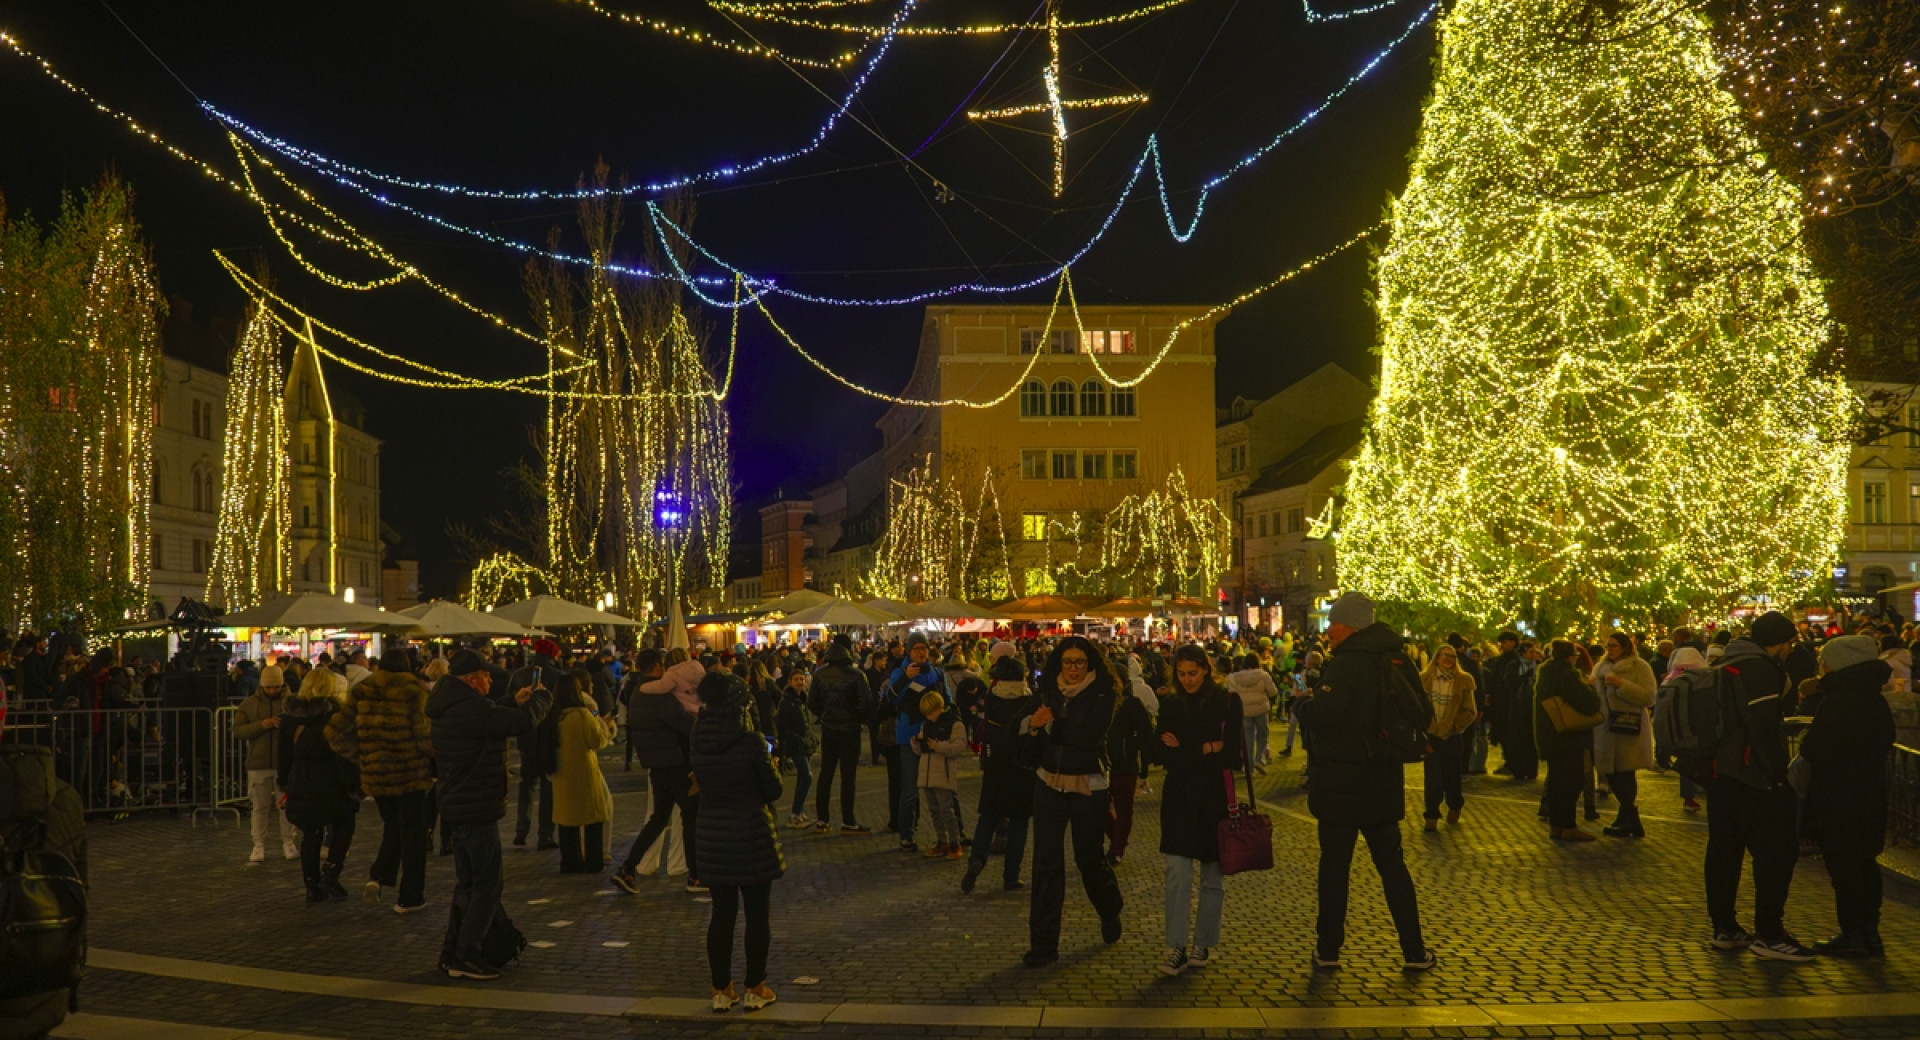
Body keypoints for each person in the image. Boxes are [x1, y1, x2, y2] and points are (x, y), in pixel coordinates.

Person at [1295, 592, 1434, 971]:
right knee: (1393, 867)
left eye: (1332, 624)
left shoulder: (1346, 665)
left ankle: (1328, 950)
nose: (1328, 631)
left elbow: (1325, 714)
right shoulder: (1395, 658)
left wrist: (1303, 704)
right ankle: (1414, 950)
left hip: (1341, 782)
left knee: (1335, 870)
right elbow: (1423, 709)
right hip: (1382, 781)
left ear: (1348, 626)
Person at [429, 649, 552, 980]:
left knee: (467, 883)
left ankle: (452, 951)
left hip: (458, 802)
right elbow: (516, 723)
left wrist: (514, 698)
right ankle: (466, 955)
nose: (489, 680)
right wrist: (540, 700)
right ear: (472, 681)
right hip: (475, 804)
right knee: (487, 885)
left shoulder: (451, 704)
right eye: (485, 677)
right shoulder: (470, 707)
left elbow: (491, 718)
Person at [1703, 610, 1814, 962]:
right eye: (1789, 643)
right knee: (1775, 853)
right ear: (1778, 642)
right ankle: (1770, 932)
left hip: (1720, 772)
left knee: (1724, 850)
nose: (1790, 650)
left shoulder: (1725, 662)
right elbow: (1763, 728)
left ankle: (1725, 927)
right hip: (1752, 775)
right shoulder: (1758, 668)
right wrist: (1777, 775)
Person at [1021, 635, 1125, 968]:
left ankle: (1109, 907)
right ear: (1059, 664)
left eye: (1080, 662)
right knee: (1046, 864)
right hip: (1048, 783)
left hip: (1088, 785)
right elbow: (1025, 732)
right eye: (1068, 662)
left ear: (1090, 663)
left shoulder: (1103, 692)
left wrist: (1049, 725)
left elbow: (1091, 736)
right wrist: (1034, 729)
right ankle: (1043, 945)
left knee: (1088, 858)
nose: (1074, 668)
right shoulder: (1047, 690)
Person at [691, 671, 784, 1013]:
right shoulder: (751, 741)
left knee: (722, 915)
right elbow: (773, 790)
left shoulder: (698, 736)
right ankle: (755, 986)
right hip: (750, 834)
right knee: (757, 915)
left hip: (712, 835)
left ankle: (720, 988)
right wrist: (772, 763)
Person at [1798, 635, 1895, 957]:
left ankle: (1853, 933)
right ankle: (1870, 931)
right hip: (1869, 792)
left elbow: (1814, 748)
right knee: (1864, 864)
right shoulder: (1873, 698)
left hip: (1838, 794)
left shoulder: (1839, 700)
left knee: (1844, 867)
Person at [1151, 644, 1242, 976]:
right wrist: (1205, 747)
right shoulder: (1171, 703)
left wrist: (1186, 747)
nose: (1187, 679)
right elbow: (1159, 751)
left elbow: (1232, 754)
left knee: (1212, 876)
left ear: (1206, 669)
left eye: (1192, 672)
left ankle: (1203, 941)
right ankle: (1176, 945)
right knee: (1176, 874)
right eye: (1181, 673)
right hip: (1178, 797)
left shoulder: (1227, 702)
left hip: (1213, 797)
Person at [328, 649, 435, 912]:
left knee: (393, 826)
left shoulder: (363, 690)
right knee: (413, 834)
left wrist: (363, 755)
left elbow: (335, 733)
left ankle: (379, 876)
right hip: (410, 774)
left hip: (377, 774)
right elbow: (425, 737)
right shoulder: (415, 691)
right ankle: (410, 896)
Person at [612, 650, 702, 893]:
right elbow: (686, 726)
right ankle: (696, 876)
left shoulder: (638, 693)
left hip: (656, 766)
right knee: (691, 816)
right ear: (657, 667)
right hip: (676, 765)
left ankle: (628, 868)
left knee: (659, 818)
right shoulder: (661, 695)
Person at [278, 668, 361, 904]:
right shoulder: (337, 718)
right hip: (333, 784)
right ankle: (332, 872)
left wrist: (284, 782)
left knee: (311, 835)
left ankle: (311, 884)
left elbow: (284, 755)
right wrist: (355, 785)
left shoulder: (292, 719)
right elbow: (346, 756)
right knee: (343, 826)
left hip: (302, 783)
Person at [963, 655, 1037, 893]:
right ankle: (1011, 876)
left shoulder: (992, 698)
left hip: (995, 767)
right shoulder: (1029, 700)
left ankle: (976, 860)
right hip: (1021, 768)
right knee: (1018, 823)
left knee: (988, 818)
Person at [1532, 640, 1600, 842]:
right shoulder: (1567, 675)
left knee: (1555, 781)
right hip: (1568, 736)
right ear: (1571, 657)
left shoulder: (1545, 674)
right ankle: (1568, 825)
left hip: (1549, 735)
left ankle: (1557, 825)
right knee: (1570, 781)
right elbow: (1588, 703)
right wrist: (1591, 689)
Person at [885, 633, 946, 852]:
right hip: (908, 737)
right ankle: (906, 834)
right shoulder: (899, 672)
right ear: (909, 651)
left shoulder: (937, 673)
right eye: (917, 648)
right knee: (909, 789)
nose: (921, 652)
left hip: (933, 737)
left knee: (940, 787)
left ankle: (950, 834)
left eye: (924, 648)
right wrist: (905, 678)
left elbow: (946, 701)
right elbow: (891, 698)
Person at [1592, 631, 1656, 839]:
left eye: (1614, 646)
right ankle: (1626, 816)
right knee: (1611, 773)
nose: (1610, 649)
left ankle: (1631, 819)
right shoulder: (1601, 667)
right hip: (1606, 729)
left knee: (1624, 773)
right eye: (1608, 645)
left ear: (1625, 647)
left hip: (1628, 729)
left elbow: (1649, 696)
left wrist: (1621, 686)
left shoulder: (1639, 667)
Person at [233, 663, 298, 864]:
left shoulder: (293, 703)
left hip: (285, 763)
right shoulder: (249, 705)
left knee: (286, 806)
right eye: (269, 687)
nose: (272, 690)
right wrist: (263, 725)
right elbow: (238, 731)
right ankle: (258, 844)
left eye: (276, 687)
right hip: (258, 762)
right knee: (259, 807)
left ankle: (289, 842)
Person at [808, 639, 874, 834]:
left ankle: (822, 819)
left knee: (826, 773)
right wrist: (857, 718)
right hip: (850, 729)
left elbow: (812, 702)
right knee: (848, 776)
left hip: (829, 728)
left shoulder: (820, 674)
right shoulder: (856, 675)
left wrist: (825, 715)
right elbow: (866, 703)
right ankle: (848, 820)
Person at [552, 669, 614, 874]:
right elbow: (597, 740)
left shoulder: (554, 716)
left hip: (560, 772)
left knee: (567, 819)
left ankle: (570, 862)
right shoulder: (582, 715)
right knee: (593, 817)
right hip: (585, 771)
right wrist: (604, 724)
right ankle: (593, 862)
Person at [508, 640, 564, 851]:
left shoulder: (519, 674)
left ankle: (521, 830)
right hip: (549, 736)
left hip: (527, 734)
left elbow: (512, 699)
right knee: (548, 785)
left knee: (527, 783)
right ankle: (545, 834)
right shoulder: (558, 676)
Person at [1419, 645, 1478, 831]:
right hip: (1431, 735)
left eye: (1452, 657)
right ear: (1436, 657)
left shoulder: (1464, 680)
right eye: (1445, 656)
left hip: (1453, 736)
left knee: (1452, 775)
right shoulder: (1423, 679)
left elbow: (1470, 711)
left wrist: (1454, 725)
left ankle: (1454, 804)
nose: (1448, 660)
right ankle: (1431, 814)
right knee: (1433, 777)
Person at [1103, 656, 1156, 867]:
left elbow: (1146, 735)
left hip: (1125, 763)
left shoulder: (1132, 704)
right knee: (1099, 808)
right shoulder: (1101, 703)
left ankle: (1116, 849)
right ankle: (1119, 839)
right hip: (1102, 764)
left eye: (1115, 679)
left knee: (1124, 808)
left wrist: (1144, 766)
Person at [914, 691, 968, 859]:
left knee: (947, 811)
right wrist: (916, 742)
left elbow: (958, 747)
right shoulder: (926, 724)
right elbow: (919, 749)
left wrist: (938, 746)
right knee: (934, 811)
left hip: (943, 774)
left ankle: (955, 843)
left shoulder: (955, 724)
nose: (929, 717)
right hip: (927, 773)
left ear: (940, 708)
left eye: (931, 713)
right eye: (926, 714)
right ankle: (942, 842)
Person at [1661, 647, 1709, 812]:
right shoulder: (1705, 678)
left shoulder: (1671, 680)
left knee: (1686, 764)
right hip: (1700, 730)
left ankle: (1688, 797)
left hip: (1680, 731)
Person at [777, 670, 817, 828]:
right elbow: (782, 726)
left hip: (804, 743)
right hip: (795, 745)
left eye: (802, 679)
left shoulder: (802, 699)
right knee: (806, 776)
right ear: (789, 681)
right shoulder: (787, 701)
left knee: (804, 777)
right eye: (796, 679)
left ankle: (799, 812)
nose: (800, 682)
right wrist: (796, 740)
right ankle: (794, 814)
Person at [1225, 654, 1277, 773]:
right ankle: (1259, 759)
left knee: (1248, 738)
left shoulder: (1234, 677)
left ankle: (1249, 765)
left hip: (1244, 711)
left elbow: (1231, 693)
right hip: (1261, 709)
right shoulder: (1263, 675)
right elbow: (1273, 692)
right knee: (1263, 735)